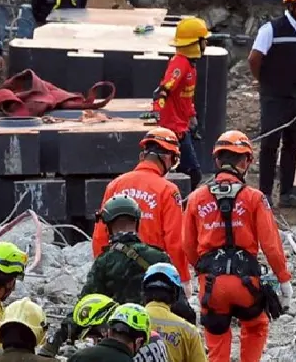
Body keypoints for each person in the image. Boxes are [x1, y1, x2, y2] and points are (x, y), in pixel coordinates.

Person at [182, 131, 294, 362]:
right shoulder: (254, 198)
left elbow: (186, 245)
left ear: (218, 160)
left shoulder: (196, 198)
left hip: (212, 284)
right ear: (245, 162)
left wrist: (202, 270)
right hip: (246, 283)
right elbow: (271, 243)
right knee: (256, 326)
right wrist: (284, 280)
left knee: (217, 342)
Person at [248, 0, 296, 208]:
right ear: (292, 6)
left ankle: (286, 193)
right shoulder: (271, 29)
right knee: (270, 143)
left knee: (293, 143)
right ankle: (265, 194)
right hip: (274, 97)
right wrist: (265, 82)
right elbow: (254, 59)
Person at [90, 130, 189, 278]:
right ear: (169, 158)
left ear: (143, 156)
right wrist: (183, 277)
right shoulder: (168, 190)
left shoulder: (115, 185)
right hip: (153, 273)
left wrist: (102, 268)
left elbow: (100, 234)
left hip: (117, 271)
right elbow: (175, 241)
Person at [153, 17, 210, 189]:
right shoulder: (180, 64)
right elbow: (163, 91)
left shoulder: (190, 65)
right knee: (193, 173)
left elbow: (186, 96)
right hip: (175, 129)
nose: (206, 44)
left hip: (182, 126)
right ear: (196, 43)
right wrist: (161, 116)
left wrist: (191, 116)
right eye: (204, 40)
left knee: (188, 171)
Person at [83, 195, 172, 304]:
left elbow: (86, 303)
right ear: (137, 222)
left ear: (108, 226)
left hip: (118, 319)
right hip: (152, 319)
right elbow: (181, 307)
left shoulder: (104, 262)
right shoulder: (159, 257)